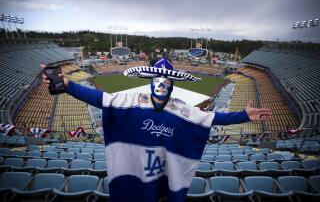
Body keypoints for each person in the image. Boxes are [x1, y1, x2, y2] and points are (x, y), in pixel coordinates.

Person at [42, 58, 271, 202]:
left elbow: (211, 117)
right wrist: (69, 86)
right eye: (157, 81)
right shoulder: (130, 100)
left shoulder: (181, 109)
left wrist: (243, 115)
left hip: (160, 174)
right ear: (151, 81)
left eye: (166, 82)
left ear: (172, 85)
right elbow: (99, 98)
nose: (161, 85)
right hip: (133, 172)